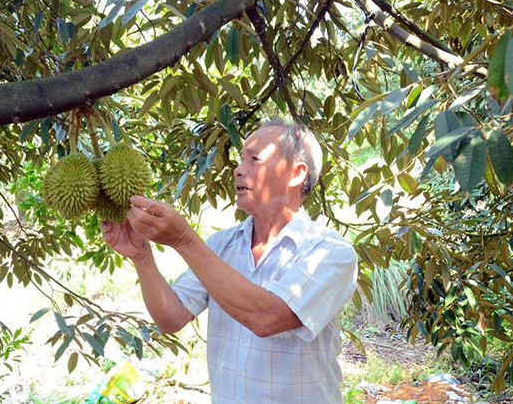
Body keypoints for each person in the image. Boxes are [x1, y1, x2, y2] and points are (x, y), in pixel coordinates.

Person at [100, 119, 358, 403]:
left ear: (296, 173)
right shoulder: (222, 246)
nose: (238, 169)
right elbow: (171, 319)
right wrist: (141, 255)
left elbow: (267, 317)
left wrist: (184, 240)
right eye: (240, 159)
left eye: (254, 159)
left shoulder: (330, 252)